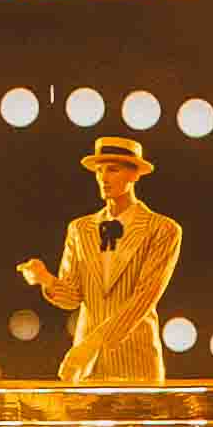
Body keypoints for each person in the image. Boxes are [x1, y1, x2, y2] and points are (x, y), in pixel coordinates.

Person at [17, 134, 181, 384]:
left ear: (134, 175)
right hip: (86, 368)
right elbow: (73, 297)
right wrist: (46, 279)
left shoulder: (162, 229)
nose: (104, 178)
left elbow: (144, 298)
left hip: (135, 361)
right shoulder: (79, 229)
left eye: (113, 170)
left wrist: (92, 344)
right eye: (99, 171)